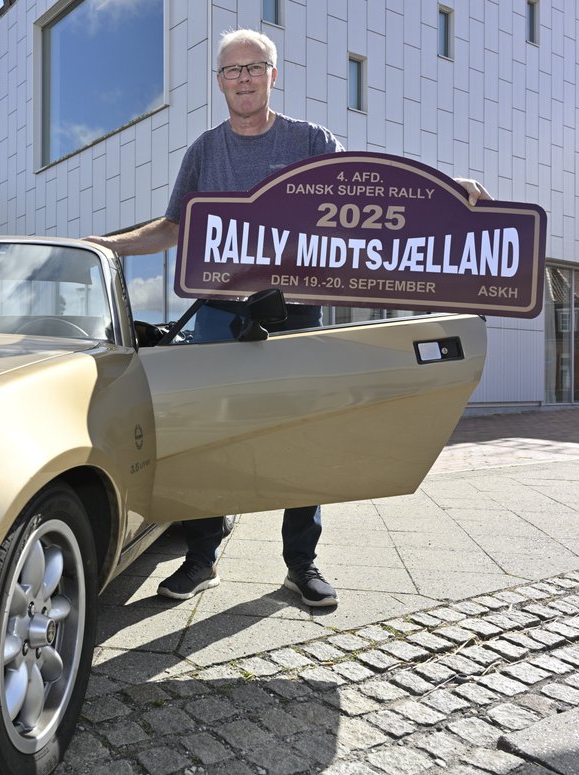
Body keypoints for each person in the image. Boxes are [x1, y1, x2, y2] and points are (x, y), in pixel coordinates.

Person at [86, 28, 491, 607]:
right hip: (219, 312)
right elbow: (174, 228)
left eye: (254, 67)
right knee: (208, 434)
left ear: (273, 75)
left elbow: (372, 197)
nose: (243, 78)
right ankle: (201, 558)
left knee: (305, 432)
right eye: (232, 70)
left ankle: (301, 563)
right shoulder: (204, 151)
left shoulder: (310, 140)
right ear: (220, 82)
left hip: (296, 311)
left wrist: (447, 194)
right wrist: (111, 244)